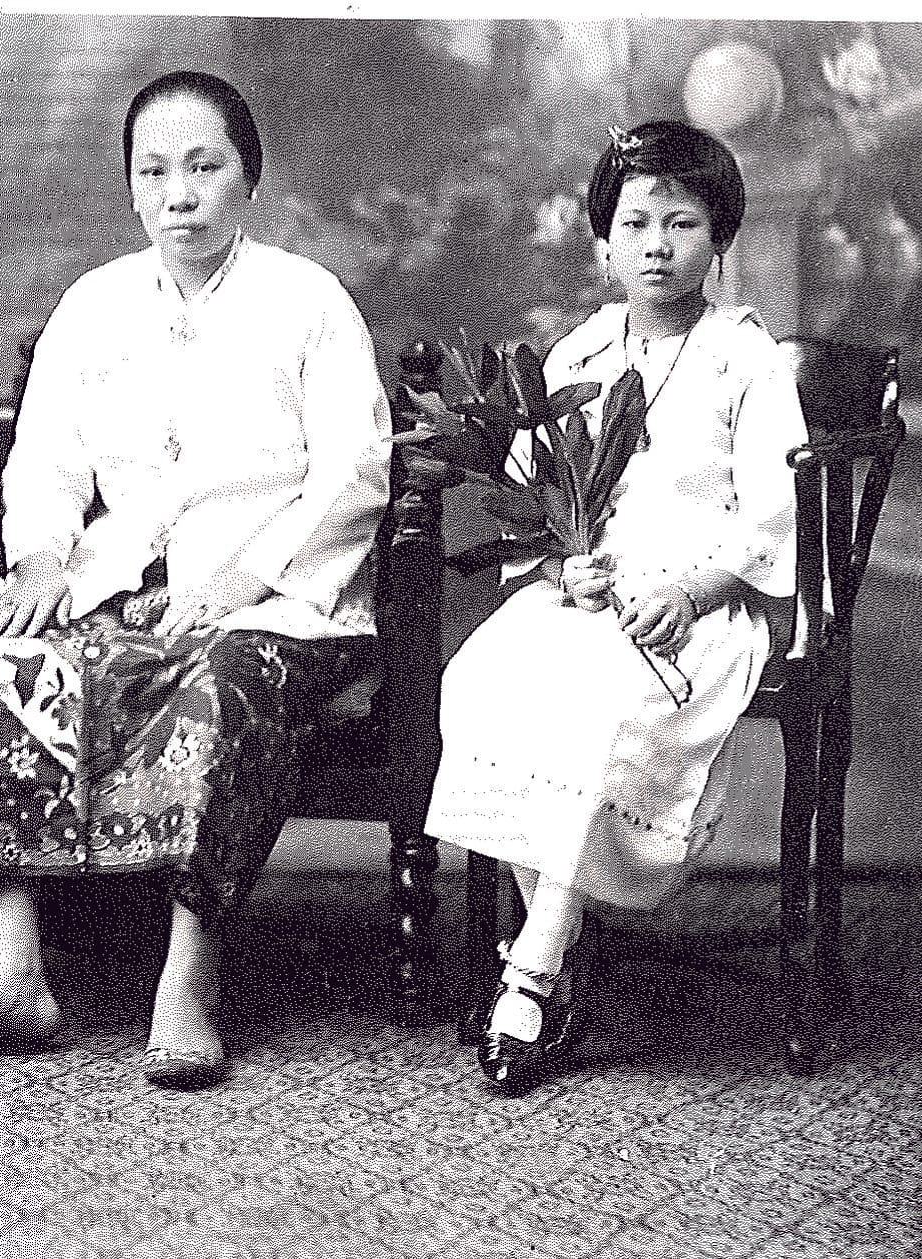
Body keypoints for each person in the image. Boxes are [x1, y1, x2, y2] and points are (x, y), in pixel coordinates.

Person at [0, 70, 391, 1086]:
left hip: (279, 597)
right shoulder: (94, 302)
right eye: (153, 172)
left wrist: (246, 579)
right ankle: (13, 973)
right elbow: (45, 460)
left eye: (204, 167)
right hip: (118, 585)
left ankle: (185, 977)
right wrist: (41, 552)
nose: (178, 195)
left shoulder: (307, 300)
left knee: (222, 684)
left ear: (248, 178)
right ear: (130, 187)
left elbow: (355, 470)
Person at [427, 121, 803, 1097]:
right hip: (592, 590)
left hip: (696, 598)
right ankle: (559, 930)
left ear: (717, 239)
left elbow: (771, 511)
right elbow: (537, 488)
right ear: (602, 241)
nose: (655, 244)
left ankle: (533, 968)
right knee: (481, 679)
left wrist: (692, 590)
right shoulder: (581, 350)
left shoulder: (743, 357)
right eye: (634, 223)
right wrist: (564, 565)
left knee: (598, 709)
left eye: (681, 223)